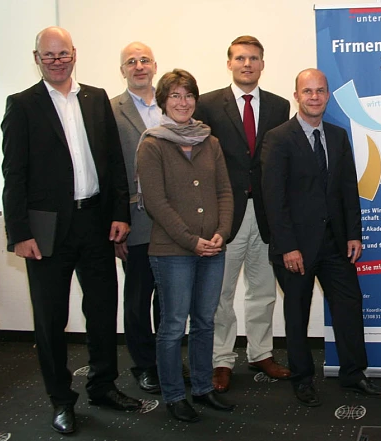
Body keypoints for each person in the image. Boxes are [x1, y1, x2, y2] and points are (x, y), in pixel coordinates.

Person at [1, 26, 141, 435]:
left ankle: (103, 386)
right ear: (37, 58)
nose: (58, 61)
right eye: (50, 55)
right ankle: (61, 400)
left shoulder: (95, 99)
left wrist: (120, 213)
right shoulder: (22, 105)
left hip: (96, 222)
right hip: (45, 232)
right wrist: (19, 232)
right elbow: (14, 175)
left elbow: (115, 163)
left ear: (75, 54)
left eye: (64, 54)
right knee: (50, 320)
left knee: (101, 311)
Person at [261, 68, 381, 407]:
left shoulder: (337, 135)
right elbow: (274, 199)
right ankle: (302, 378)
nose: (314, 96)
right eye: (307, 91)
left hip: (335, 244)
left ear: (328, 95)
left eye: (320, 91)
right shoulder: (279, 138)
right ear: (296, 96)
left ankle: (353, 373)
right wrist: (287, 246)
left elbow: (349, 188)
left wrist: (353, 234)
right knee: (297, 314)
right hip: (296, 249)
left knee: (349, 306)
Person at [136, 69, 235, 423]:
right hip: (173, 251)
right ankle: (175, 395)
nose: (183, 102)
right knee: (173, 325)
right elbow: (156, 203)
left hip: (214, 248)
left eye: (188, 95)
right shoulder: (152, 144)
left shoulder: (211, 142)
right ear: (164, 101)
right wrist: (193, 241)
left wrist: (222, 231)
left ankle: (203, 388)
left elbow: (225, 191)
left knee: (206, 321)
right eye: (175, 96)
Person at [194, 35, 292, 392]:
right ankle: (221, 359)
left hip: (265, 213)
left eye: (253, 58)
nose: (247, 64)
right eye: (240, 58)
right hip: (225, 214)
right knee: (220, 293)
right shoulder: (207, 104)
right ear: (229, 63)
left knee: (263, 290)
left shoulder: (280, 106)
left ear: (263, 64)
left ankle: (261, 353)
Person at [110, 41, 161, 394]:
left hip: (175, 221)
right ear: (123, 70)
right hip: (135, 220)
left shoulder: (175, 102)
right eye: (131, 61)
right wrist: (115, 225)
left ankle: (168, 360)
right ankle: (144, 365)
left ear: (155, 65)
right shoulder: (110, 110)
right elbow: (108, 170)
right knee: (139, 297)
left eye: (144, 60)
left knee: (172, 299)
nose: (139, 66)